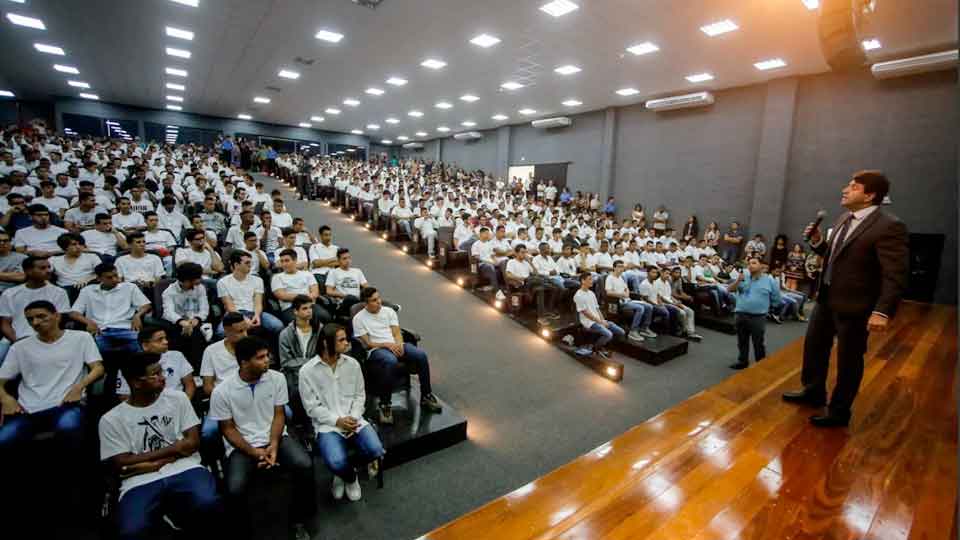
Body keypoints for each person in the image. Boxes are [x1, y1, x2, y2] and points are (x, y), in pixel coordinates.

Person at [783, 170, 908, 427]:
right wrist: (818, 243)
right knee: (815, 347)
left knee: (849, 360)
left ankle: (839, 411)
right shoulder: (844, 218)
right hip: (826, 298)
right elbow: (835, 256)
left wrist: (882, 311)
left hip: (856, 305)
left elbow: (895, 273)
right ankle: (813, 391)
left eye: (853, 187)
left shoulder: (889, 226)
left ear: (870, 195)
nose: (844, 190)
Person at [98, 352, 220, 539]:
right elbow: (121, 462)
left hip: (184, 467)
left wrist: (144, 462)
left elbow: (193, 443)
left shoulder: (178, 399)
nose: (163, 378)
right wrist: (173, 449)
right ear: (137, 383)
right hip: (139, 480)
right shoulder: (111, 420)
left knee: (209, 503)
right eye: (155, 374)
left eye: (161, 372)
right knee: (132, 531)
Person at [209, 336, 314, 540]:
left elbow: (279, 415)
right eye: (261, 357)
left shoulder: (277, 378)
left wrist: (273, 445)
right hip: (242, 445)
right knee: (235, 488)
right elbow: (228, 429)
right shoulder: (222, 391)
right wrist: (254, 452)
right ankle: (244, 533)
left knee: (304, 465)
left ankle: (300, 520)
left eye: (267, 356)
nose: (267, 360)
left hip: (275, 437)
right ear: (244, 362)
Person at [0, 301, 103, 466]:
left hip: (66, 404)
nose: (35, 323)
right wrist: (5, 398)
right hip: (27, 409)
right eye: (30, 319)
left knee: (69, 429)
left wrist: (79, 387)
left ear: (57, 316)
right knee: (4, 439)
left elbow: (97, 368)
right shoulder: (20, 347)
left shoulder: (81, 338)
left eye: (41, 317)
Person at [299, 323, 385, 502]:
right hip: (328, 426)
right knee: (336, 462)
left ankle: (342, 472)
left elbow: (360, 395)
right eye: (341, 340)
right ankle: (349, 476)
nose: (347, 343)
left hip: (355, 419)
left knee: (376, 449)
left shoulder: (352, 364)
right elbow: (311, 407)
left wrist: (353, 417)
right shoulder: (306, 372)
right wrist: (338, 421)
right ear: (325, 343)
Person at [353, 286, 441, 424]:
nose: (379, 302)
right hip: (377, 350)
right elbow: (368, 343)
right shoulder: (358, 318)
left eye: (379, 298)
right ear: (366, 303)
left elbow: (396, 332)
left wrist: (399, 344)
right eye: (374, 300)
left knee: (421, 355)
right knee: (390, 361)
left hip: (396, 344)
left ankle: (426, 395)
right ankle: (385, 405)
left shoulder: (388, 311)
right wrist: (387, 345)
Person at [0, 256, 71, 366]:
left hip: (47, 338)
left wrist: (38, 340)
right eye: (42, 268)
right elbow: (5, 323)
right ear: (28, 271)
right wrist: (17, 341)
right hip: (14, 339)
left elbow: (59, 320)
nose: (48, 270)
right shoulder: (10, 293)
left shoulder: (59, 292)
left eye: (48, 267)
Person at [70, 262, 151, 356]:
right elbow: (73, 313)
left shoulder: (129, 287)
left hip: (126, 329)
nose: (115, 279)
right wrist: (88, 322)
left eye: (116, 275)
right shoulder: (87, 291)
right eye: (109, 277)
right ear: (99, 278)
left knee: (143, 348)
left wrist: (138, 315)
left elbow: (146, 305)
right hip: (100, 331)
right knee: (97, 354)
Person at [727, 257, 781, 370]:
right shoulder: (743, 277)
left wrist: (766, 308)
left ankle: (760, 364)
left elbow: (776, 298)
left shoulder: (769, 280)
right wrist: (738, 281)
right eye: (749, 263)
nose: (750, 265)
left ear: (761, 266)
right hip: (741, 314)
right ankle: (743, 361)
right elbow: (729, 290)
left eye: (754, 263)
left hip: (758, 317)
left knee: (758, 342)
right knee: (742, 341)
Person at [116, 326, 195, 401]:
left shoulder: (177, 355)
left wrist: (183, 407)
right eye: (160, 340)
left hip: (177, 405)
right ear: (145, 346)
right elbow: (124, 396)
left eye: (165, 338)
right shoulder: (129, 364)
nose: (166, 342)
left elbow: (190, 385)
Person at [216, 250, 282, 337]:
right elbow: (229, 306)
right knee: (221, 332)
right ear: (236, 265)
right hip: (234, 314)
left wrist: (257, 315)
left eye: (250, 262)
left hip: (254, 311)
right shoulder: (222, 282)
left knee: (278, 326)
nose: (250, 265)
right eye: (247, 263)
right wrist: (243, 319)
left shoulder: (258, 280)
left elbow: (258, 303)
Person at [278, 294, 320, 425]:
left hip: (318, 370)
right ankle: (302, 425)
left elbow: (324, 354)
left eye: (310, 308)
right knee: (297, 390)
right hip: (295, 374)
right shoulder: (286, 334)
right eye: (305, 308)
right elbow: (285, 363)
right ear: (295, 311)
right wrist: (309, 362)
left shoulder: (319, 329)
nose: (309, 311)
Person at [161, 262, 212, 365]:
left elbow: (204, 308)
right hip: (177, 323)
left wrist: (197, 318)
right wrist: (182, 322)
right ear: (187, 280)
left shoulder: (200, 288)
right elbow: (168, 312)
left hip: (196, 321)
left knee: (196, 334)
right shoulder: (169, 292)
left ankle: (198, 371)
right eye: (197, 278)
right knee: (181, 336)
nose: (200, 280)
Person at [272, 248, 331, 324]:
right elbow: (282, 296)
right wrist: (305, 297)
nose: (284, 264)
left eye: (287, 261)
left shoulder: (307, 274)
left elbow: (315, 293)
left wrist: (301, 298)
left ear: (295, 260)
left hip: (310, 305)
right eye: (282, 261)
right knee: (300, 322)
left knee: (325, 317)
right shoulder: (277, 277)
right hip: (291, 308)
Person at [505, 244, 561, 322]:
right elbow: (508, 275)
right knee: (538, 281)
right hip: (521, 284)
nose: (524, 254)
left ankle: (548, 310)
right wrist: (520, 278)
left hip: (531, 283)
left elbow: (536, 273)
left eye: (525, 252)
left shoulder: (526, 262)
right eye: (522, 252)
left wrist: (529, 262)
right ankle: (541, 317)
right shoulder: (511, 262)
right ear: (516, 253)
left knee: (553, 288)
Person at [574, 272, 625, 359]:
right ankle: (595, 348)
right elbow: (586, 313)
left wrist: (603, 320)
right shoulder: (578, 295)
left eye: (592, 279)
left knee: (621, 332)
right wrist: (600, 322)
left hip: (598, 320)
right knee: (608, 334)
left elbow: (597, 309)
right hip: (589, 322)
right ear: (583, 281)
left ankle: (605, 346)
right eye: (590, 279)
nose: (592, 281)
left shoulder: (591, 293)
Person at [604, 260, 656, 341]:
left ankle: (644, 328)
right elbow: (608, 292)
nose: (621, 268)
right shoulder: (610, 278)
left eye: (622, 266)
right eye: (619, 267)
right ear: (614, 268)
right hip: (619, 302)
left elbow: (626, 288)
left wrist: (627, 293)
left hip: (627, 300)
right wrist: (621, 295)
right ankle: (633, 331)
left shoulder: (621, 278)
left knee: (649, 306)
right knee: (640, 308)